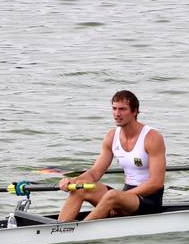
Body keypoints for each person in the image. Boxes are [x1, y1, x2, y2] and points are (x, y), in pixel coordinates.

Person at [57, 90, 167, 221]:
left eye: (122, 109)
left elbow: (156, 183)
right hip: (124, 196)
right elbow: (94, 173)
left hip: (149, 201)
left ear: (135, 111)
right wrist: (74, 181)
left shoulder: (152, 138)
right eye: (114, 109)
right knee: (80, 188)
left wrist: (120, 197)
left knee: (112, 195)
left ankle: (81, 231)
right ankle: (59, 229)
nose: (117, 113)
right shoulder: (111, 137)